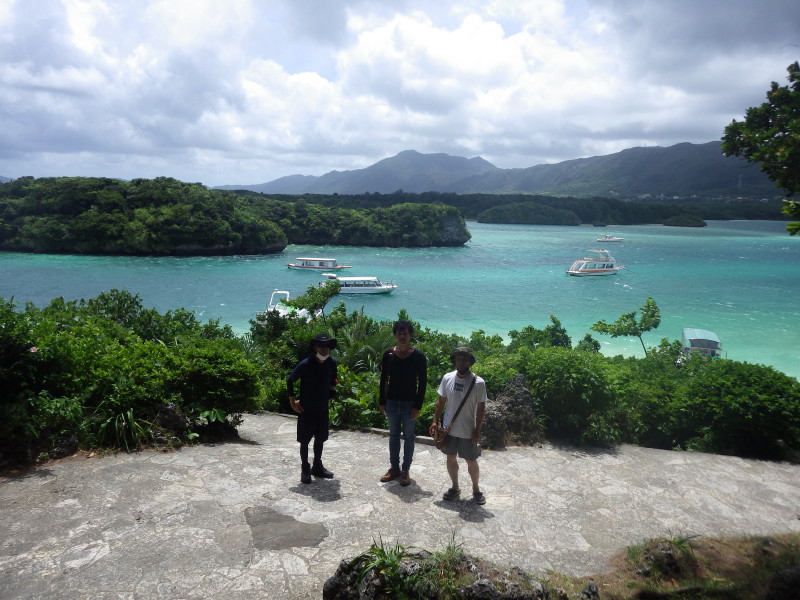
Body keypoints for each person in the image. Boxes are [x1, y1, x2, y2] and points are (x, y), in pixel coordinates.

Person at [430, 347, 488, 505]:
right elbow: (440, 401)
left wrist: (477, 430)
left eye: (464, 359)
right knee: (450, 457)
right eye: (458, 359)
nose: (461, 362)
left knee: (471, 460)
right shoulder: (447, 378)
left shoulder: (478, 383)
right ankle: (455, 487)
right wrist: (435, 421)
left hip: (468, 430)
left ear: (470, 362)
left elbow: (481, 408)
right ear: (454, 361)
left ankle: (476, 489)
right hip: (448, 429)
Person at [378, 319, 428, 486]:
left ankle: (405, 470)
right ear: (395, 335)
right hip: (391, 402)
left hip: (409, 403)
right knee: (393, 435)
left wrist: (417, 406)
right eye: (399, 333)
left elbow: (423, 383)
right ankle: (394, 468)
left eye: (405, 333)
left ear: (410, 335)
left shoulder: (418, 356)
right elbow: (383, 379)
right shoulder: (388, 354)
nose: (402, 336)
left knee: (409, 437)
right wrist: (382, 401)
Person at [287, 332, 338, 484]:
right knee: (304, 441)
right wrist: (293, 401)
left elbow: (334, 379)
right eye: (321, 345)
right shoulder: (306, 364)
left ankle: (317, 466)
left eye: (327, 345)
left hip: (322, 407)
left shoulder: (331, 362)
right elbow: (290, 380)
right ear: (315, 347)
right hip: (306, 409)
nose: (324, 348)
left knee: (320, 439)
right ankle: (305, 468)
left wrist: (332, 392)